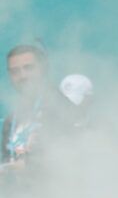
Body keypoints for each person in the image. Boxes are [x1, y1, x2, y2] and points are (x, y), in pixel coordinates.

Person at [1, 45, 71, 174]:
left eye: (28, 68)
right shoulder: (11, 119)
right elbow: (7, 161)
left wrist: (29, 166)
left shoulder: (60, 106)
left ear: (42, 69)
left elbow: (76, 156)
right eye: (15, 71)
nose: (22, 76)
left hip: (56, 192)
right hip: (21, 193)